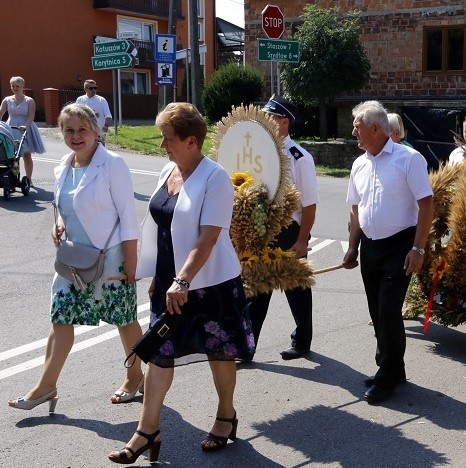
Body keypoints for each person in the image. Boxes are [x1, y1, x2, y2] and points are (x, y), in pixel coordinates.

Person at [109, 103, 255, 463]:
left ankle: (225, 416)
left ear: (192, 141)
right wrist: (159, 276)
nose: (162, 145)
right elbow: (162, 229)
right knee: (161, 353)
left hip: (209, 283)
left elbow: (207, 237)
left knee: (218, 353)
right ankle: (147, 432)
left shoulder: (215, 177)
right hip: (172, 283)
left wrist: (182, 279)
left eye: (168, 139)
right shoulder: (168, 170)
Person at [7, 104, 142, 413]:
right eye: (69, 130)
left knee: (124, 320)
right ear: (61, 132)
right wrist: (58, 226)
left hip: (111, 259)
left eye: (83, 129)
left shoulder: (113, 164)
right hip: (72, 258)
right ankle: (46, 386)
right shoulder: (63, 167)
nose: (76, 136)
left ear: (96, 131)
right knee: (60, 316)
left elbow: (128, 218)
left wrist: (131, 265)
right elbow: (64, 209)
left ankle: (135, 376)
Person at [342, 100, 433, 404]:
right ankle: (394, 366)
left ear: (376, 128)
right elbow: (355, 209)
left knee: (388, 309)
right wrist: (353, 246)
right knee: (376, 310)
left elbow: (426, 204)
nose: (353, 131)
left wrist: (418, 248)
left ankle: (387, 372)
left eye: (357, 126)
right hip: (370, 245)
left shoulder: (409, 159)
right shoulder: (359, 163)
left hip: (400, 245)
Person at [246, 95, 318, 360]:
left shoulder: (299, 157)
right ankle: (246, 345)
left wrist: (301, 240)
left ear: (283, 121)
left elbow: (309, 205)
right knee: (256, 290)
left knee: (296, 289)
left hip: (290, 231)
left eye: (270, 117)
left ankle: (302, 342)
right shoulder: (260, 152)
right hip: (263, 230)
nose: (264, 121)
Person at [0, 76, 46, 186]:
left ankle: (28, 179)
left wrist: (25, 126)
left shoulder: (29, 101)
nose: (15, 88)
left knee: (26, 154)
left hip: (25, 127)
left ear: (22, 86)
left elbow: (31, 116)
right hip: (11, 128)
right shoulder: (7, 100)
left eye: (17, 86)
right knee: (11, 155)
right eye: (13, 86)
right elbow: (1, 113)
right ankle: (13, 178)